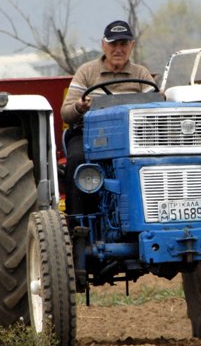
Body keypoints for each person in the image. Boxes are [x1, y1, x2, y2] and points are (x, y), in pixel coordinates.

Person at [60, 20, 155, 215]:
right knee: (77, 160)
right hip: (91, 136)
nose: (118, 49)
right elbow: (66, 112)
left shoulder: (141, 74)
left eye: (123, 44)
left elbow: (156, 105)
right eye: (113, 44)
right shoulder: (87, 72)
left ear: (132, 45)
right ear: (103, 45)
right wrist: (79, 106)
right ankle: (79, 224)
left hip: (133, 138)